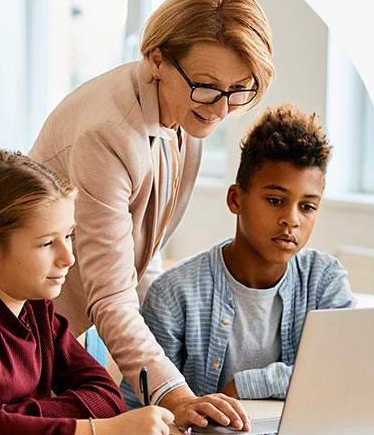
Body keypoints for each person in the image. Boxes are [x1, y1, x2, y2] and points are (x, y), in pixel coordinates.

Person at [29, 0, 274, 429]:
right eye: (206, 85)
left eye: (240, 89)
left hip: (72, 322)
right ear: (157, 58)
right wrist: (173, 393)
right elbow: (111, 293)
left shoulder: (188, 117)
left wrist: (174, 378)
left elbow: (144, 256)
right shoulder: (109, 132)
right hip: (26, 323)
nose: (221, 109)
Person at [120, 103, 356, 407]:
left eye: (307, 207)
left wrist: (243, 385)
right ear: (236, 199)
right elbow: (136, 406)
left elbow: (344, 370)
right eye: (275, 200)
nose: (292, 219)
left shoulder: (324, 281)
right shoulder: (175, 294)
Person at [0, 150, 174, 435]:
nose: (68, 257)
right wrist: (101, 431)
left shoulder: (38, 312)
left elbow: (106, 398)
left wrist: (11, 419)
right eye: (46, 243)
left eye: (69, 236)